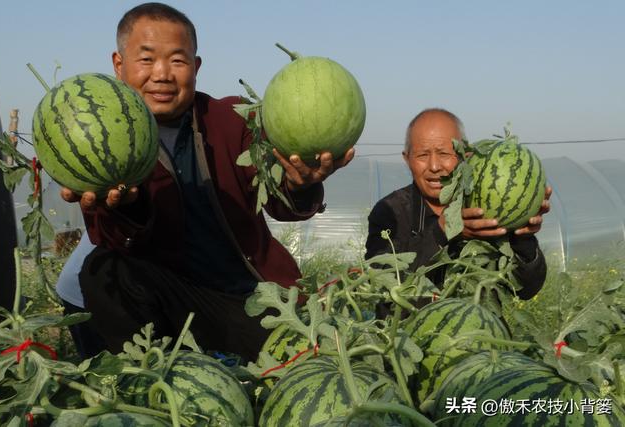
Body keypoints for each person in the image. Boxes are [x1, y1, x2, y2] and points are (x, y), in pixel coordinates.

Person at [60, 2, 354, 362]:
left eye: (178, 60)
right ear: (119, 66)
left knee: (307, 366)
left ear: (196, 67)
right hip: (173, 300)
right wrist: (128, 208)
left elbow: (280, 200)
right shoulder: (104, 139)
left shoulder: (232, 120)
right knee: (103, 270)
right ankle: (145, 378)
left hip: (249, 297)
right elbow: (112, 239)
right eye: (147, 59)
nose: (163, 74)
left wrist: (301, 184)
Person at [365, 108, 549, 301]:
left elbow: (526, 291)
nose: (434, 167)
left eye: (444, 153)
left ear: (465, 155)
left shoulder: (485, 209)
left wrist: (522, 238)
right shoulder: (390, 212)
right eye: (422, 155)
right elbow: (380, 284)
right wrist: (443, 232)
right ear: (407, 158)